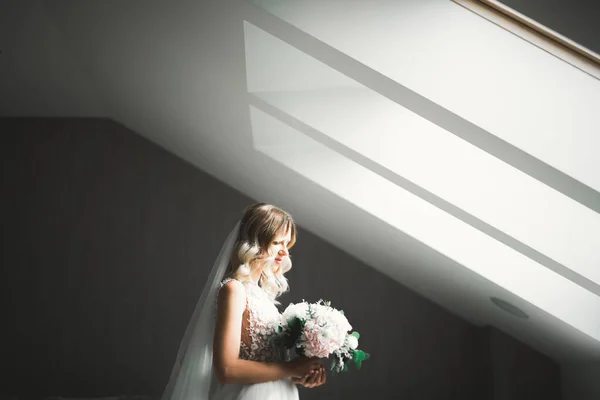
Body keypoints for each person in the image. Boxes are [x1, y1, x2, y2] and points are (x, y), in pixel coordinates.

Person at [162, 203, 326, 400]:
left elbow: (273, 365)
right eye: (277, 243)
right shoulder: (234, 289)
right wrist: (290, 368)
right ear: (256, 242)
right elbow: (227, 369)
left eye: (287, 244)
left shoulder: (263, 296)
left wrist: (301, 374)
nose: (284, 252)